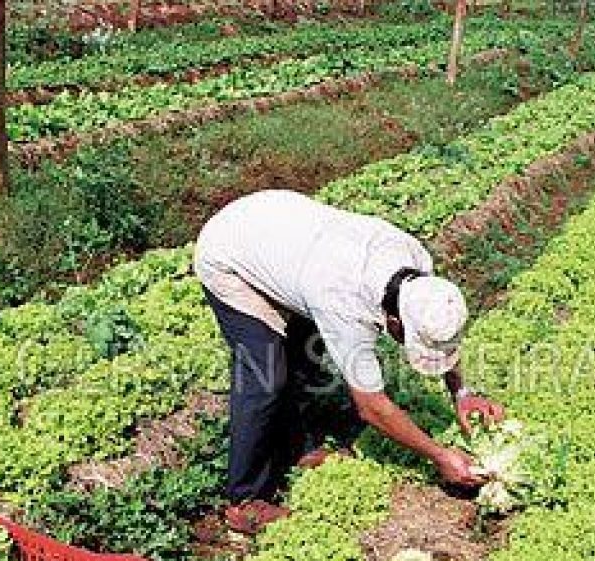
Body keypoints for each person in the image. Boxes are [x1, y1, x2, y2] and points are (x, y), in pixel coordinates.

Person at [195, 190, 505, 533]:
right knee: (265, 374)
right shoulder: (342, 303)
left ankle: (298, 448)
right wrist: (440, 456)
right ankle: (244, 498)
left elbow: (440, 335)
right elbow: (371, 407)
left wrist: (462, 393)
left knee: (298, 356)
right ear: (396, 322)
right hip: (231, 254)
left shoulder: (418, 269)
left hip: (288, 239)